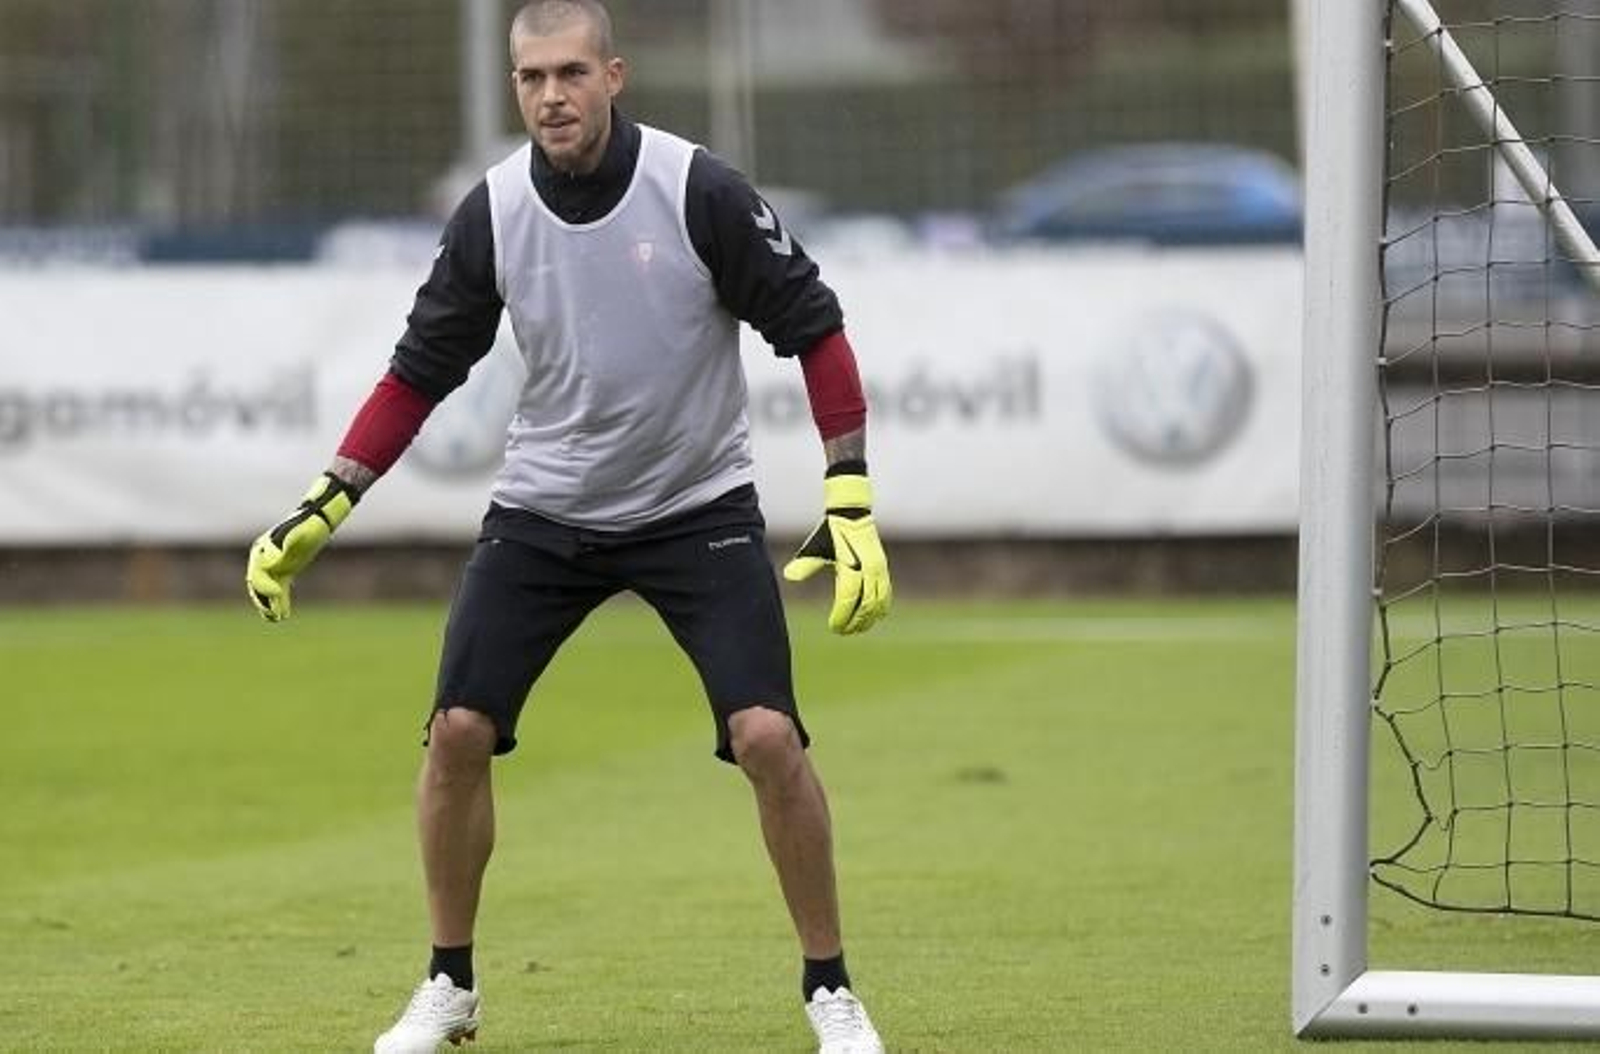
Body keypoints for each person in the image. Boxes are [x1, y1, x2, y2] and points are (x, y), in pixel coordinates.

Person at [244, 2, 891, 1052]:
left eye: (572, 73)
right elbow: (419, 370)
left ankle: (831, 988)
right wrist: (331, 497)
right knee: (455, 732)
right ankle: (449, 983)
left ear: (614, 75)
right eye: (532, 77)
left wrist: (849, 492)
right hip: (546, 509)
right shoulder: (493, 211)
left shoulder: (696, 190)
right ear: (517, 88)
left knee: (768, 736)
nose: (552, 95)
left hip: (696, 508)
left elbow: (813, 327)